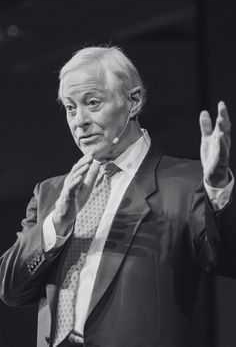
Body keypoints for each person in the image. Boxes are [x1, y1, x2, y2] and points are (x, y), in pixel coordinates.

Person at [0, 46, 235, 347]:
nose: (79, 121)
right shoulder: (51, 193)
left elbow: (228, 259)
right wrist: (56, 225)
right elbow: (10, 288)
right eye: (71, 108)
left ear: (133, 101)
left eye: (92, 103)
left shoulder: (185, 184)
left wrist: (217, 187)